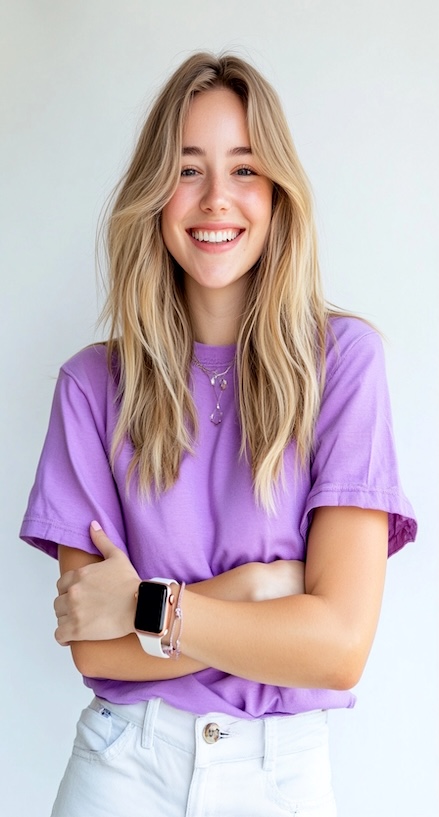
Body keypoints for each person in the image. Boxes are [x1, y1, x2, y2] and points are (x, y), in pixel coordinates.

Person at [20, 52, 417, 817]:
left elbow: (335, 649)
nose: (215, 201)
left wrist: (151, 606)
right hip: (118, 767)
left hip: (281, 776)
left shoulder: (342, 365)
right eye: (188, 169)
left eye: (243, 170)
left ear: (276, 194)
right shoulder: (91, 385)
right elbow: (92, 645)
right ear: (153, 194)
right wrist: (260, 589)